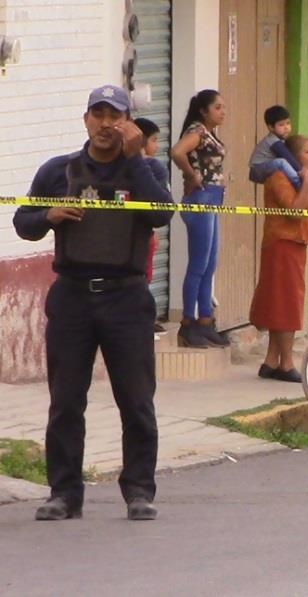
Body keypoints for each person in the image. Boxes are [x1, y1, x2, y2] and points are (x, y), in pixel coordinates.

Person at [12, 85, 173, 521]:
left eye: (114, 116)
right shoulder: (58, 172)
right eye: (97, 115)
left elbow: (161, 213)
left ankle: (139, 490)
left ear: (128, 123)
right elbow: (22, 223)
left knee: (136, 400)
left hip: (126, 299)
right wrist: (49, 215)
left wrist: (136, 158)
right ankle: (64, 493)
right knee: (66, 401)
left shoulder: (148, 169)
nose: (106, 124)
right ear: (86, 120)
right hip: (72, 299)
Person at [249, 135, 308, 382]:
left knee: (282, 301)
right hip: (282, 243)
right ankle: (286, 363)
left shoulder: (301, 177)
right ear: (294, 156)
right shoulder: (279, 176)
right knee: (285, 303)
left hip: (297, 243)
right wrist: (305, 183)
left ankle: (272, 360)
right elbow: (294, 211)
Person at [170, 89, 229, 349]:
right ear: (204, 111)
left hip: (213, 199)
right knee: (198, 263)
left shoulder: (209, 133)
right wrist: (192, 175)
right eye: (217, 107)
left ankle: (206, 319)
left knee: (210, 262)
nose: (222, 112)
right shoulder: (198, 131)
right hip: (201, 200)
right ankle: (188, 322)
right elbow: (177, 152)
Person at [134, 117, 169, 333]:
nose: (157, 146)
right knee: (143, 274)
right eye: (154, 140)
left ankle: (145, 314)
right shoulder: (149, 166)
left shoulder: (153, 168)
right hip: (138, 235)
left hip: (147, 232)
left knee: (146, 274)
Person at [248, 105, 308, 189]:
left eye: (288, 123)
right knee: (281, 162)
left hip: (265, 167)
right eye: (281, 125)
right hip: (258, 169)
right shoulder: (273, 141)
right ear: (271, 127)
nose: (286, 128)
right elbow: (288, 157)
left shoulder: (281, 141)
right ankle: (301, 185)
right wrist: (302, 171)